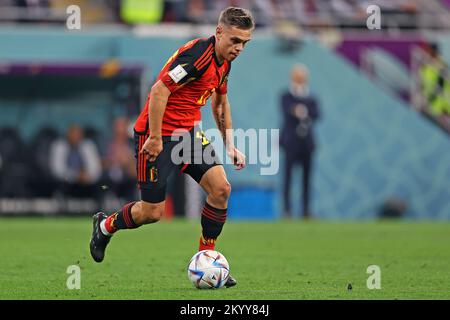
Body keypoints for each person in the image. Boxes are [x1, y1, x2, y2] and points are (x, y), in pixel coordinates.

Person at [90, 7, 254, 288]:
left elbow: (219, 103)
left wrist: (230, 144)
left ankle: (207, 258)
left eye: (244, 43)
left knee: (221, 189)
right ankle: (105, 226)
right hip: (156, 136)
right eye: (235, 41)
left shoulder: (224, 61)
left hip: (188, 134)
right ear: (219, 32)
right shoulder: (197, 58)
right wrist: (154, 137)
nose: (239, 48)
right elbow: (159, 90)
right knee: (152, 212)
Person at [280, 64, 320, 219]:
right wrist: (295, 111)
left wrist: (303, 112)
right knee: (288, 178)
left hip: (307, 143)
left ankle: (306, 210)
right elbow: (286, 110)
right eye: (298, 75)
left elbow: (317, 114)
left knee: (306, 179)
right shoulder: (286, 95)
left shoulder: (310, 97)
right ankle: (287, 210)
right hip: (291, 143)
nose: (300, 78)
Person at [49, 124, 102, 198]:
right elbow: (57, 170)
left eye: (78, 135)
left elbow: (96, 168)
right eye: (73, 134)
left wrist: (88, 176)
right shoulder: (59, 146)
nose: (75, 137)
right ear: (68, 135)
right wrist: (75, 176)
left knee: (102, 187)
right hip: (67, 182)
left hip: (87, 183)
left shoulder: (88, 146)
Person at [102, 116, 136, 201]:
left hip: (127, 180)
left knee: (131, 183)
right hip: (108, 180)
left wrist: (126, 162)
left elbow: (135, 172)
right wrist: (112, 161)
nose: (119, 129)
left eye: (122, 126)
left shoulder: (133, 145)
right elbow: (99, 165)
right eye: (117, 126)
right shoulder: (106, 144)